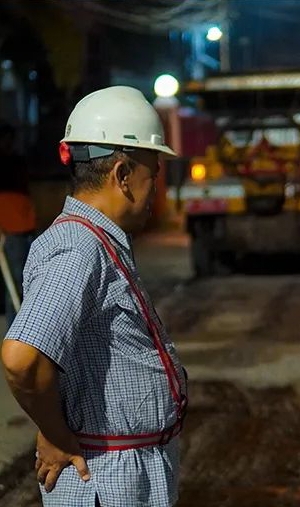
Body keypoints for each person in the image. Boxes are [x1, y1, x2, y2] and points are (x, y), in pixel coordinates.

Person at [1, 86, 187, 506]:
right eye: (151, 175)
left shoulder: (97, 241)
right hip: (107, 480)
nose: (155, 189)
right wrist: (55, 432)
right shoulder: (78, 246)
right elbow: (21, 358)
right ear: (122, 175)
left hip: (124, 473)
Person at [0, 122, 37, 330]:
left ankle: (22, 325)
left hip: (24, 226)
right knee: (14, 283)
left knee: (23, 280)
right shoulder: (5, 163)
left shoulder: (17, 161)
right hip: (10, 229)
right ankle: (16, 328)